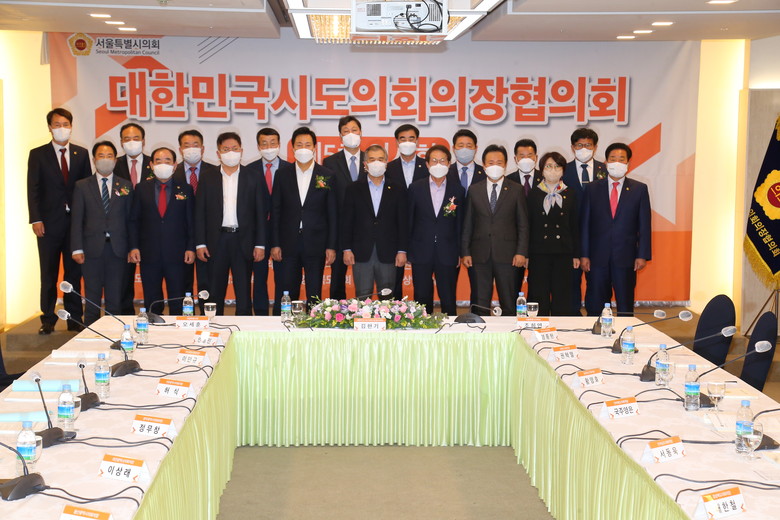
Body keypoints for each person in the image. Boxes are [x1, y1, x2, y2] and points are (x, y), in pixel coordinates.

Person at [27, 108, 92, 334]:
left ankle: (74, 318)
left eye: (65, 124)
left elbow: (87, 190)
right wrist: (36, 219)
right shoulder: (38, 154)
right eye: (57, 124)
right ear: (49, 127)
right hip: (48, 224)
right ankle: (47, 318)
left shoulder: (81, 153)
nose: (61, 128)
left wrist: (86, 221)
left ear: (71, 126)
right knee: (49, 273)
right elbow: (33, 189)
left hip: (75, 224)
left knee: (74, 272)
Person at [195, 132, 265, 316]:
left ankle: (244, 329)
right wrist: (200, 243)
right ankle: (214, 326)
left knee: (243, 291)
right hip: (216, 241)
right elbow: (199, 212)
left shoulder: (253, 176)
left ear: (241, 151)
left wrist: (260, 244)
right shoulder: (207, 177)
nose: (231, 153)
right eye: (226, 149)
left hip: (244, 240)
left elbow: (260, 212)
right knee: (215, 290)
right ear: (218, 153)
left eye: (234, 149)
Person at [580, 143, 651, 316]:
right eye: (613, 159)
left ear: (628, 163)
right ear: (606, 162)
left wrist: (642, 255)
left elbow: (644, 225)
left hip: (626, 257)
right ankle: (595, 330)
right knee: (595, 304)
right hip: (597, 258)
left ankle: (624, 331)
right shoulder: (592, 188)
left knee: (625, 304)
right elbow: (585, 224)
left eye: (621, 159)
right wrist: (584, 254)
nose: (617, 162)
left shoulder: (639, 189)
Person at [271, 127, 337, 308]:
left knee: (314, 293)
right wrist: (275, 243)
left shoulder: (326, 175)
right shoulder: (282, 174)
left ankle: (314, 323)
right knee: (288, 291)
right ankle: (287, 323)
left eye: (307, 145)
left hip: (316, 242)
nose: (303, 148)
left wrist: (331, 246)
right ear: (292, 148)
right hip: (288, 243)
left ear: (314, 147)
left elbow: (332, 213)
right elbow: (276, 211)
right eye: (299, 145)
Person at [70, 141, 133, 326]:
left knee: (115, 298)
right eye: (101, 156)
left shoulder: (125, 185)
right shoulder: (82, 186)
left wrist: (132, 247)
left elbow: (130, 220)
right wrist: (76, 248)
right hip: (91, 250)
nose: (105, 159)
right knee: (92, 298)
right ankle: (90, 333)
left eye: (109, 156)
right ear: (94, 159)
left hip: (118, 250)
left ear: (115, 160)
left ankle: (114, 334)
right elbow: (76, 219)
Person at [461, 145, 529, 316]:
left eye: (499, 162)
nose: (495, 166)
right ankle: (479, 330)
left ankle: (510, 331)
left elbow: (523, 224)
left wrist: (521, 252)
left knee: (509, 301)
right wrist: (465, 252)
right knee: (480, 301)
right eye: (491, 163)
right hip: (479, 254)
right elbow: (468, 223)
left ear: (505, 165)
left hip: (508, 255)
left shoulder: (516, 189)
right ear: (484, 165)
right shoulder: (474, 190)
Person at [128, 147, 195, 316]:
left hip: (178, 254)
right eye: (158, 161)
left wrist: (190, 247)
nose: (162, 164)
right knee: (152, 298)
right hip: (149, 254)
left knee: (177, 298)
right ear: (151, 165)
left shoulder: (185, 189)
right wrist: (134, 247)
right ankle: (153, 327)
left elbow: (191, 222)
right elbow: (134, 220)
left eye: (167, 160)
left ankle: (177, 330)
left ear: (175, 165)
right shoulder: (141, 188)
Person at [342, 145, 408, 300]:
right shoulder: (353, 189)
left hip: (388, 252)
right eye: (372, 159)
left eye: (380, 159)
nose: (376, 163)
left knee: (387, 299)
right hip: (361, 252)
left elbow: (403, 222)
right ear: (365, 164)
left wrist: (402, 250)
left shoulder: (398, 189)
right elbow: (347, 221)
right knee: (362, 298)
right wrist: (347, 248)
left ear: (386, 163)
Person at [407, 144, 465, 316]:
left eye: (442, 160)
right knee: (421, 297)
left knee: (448, 298)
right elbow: (409, 221)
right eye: (434, 161)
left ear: (449, 164)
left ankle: (450, 330)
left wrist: (460, 252)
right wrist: (408, 249)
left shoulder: (458, 190)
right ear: (427, 164)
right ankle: (422, 328)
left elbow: (460, 224)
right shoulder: (415, 188)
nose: (438, 164)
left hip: (448, 251)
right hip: (421, 250)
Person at [525, 152, 580, 316]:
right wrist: (526, 254)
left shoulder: (571, 193)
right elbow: (528, 225)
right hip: (538, 253)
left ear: (563, 170)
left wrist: (576, 254)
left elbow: (575, 225)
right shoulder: (533, 193)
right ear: (541, 170)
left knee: (562, 296)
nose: (553, 170)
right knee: (538, 294)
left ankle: (561, 329)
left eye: (557, 166)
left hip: (563, 252)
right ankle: (537, 328)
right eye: (548, 166)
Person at [561, 128, 608, 316]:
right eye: (579, 145)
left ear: (595, 147)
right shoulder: (562, 170)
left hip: (598, 238)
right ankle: (572, 315)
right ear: (572, 147)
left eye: (588, 145)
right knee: (571, 281)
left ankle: (596, 317)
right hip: (569, 236)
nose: (584, 149)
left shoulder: (606, 170)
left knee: (596, 282)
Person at [246, 127, 291, 316]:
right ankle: (261, 315)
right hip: (257, 232)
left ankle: (281, 315)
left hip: (283, 232)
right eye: (264, 143)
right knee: (259, 277)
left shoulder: (290, 169)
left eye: (273, 143)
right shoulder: (249, 170)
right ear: (258, 146)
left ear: (279, 144)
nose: (269, 147)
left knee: (283, 278)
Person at [173, 129, 219, 313]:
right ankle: (185, 316)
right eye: (187, 145)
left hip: (208, 236)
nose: (191, 149)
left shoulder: (215, 172)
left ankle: (206, 315)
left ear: (203, 148)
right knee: (182, 281)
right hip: (179, 236)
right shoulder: (172, 173)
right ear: (180, 149)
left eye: (195, 145)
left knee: (207, 281)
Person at [323, 115, 366, 301]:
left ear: (361, 133)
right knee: (337, 279)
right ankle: (336, 312)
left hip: (366, 229)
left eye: (354, 130)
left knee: (365, 279)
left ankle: (365, 311)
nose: (351, 134)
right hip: (340, 229)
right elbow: (328, 198)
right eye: (346, 131)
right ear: (340, 136)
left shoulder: (371, 159)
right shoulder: (330, 162)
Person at [114, 122, 152, 315]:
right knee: (122, 280)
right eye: (127, 139)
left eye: (136, 138)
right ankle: (125, 316)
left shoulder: (155, 163)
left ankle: (154, 314)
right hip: (121, 231)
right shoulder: (114, 164)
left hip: (150, 231)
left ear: (143, 141)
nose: (132, 142)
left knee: (152, 280)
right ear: (121, 142)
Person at [448, 129, 485, 308]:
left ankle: (477, 319)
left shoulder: (485, 173)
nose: (464, 149)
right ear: (453, 148)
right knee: (448, 287)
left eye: (469, 146)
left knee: (479, 288)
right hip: (450, 239)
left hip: (478, 239)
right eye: (460, 145)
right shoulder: (443, 172)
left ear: (476, 148)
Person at [506, 138, 542, 295]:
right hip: (514, 246)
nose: (526, 159)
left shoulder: (546, 179)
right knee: (512, 289)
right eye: (521, 156)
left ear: (536, 157)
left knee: (538, 290)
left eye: (530, 155)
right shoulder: (507, 181)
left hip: (540, 244)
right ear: (515, 159)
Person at [386, 124, 429, 189]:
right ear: (397, 142)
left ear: (417, 141)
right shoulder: (389, 168)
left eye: (411, 139)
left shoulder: (427, 166)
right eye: (403, 139)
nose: (407, 143)